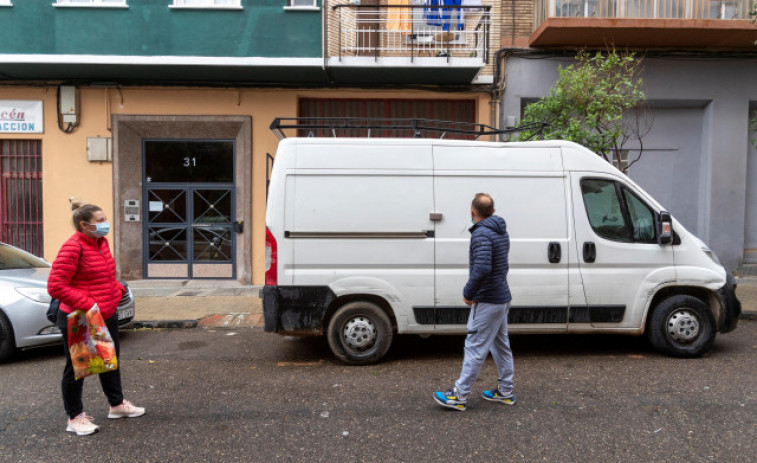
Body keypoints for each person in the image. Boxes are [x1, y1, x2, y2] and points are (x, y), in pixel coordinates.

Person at [48, 198, 145, 436]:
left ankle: (117, 405)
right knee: (77, 368)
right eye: (100, 221)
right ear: (84, 224)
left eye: (105, 219)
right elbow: (56, 286)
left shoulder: (100, 242)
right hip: (80, 317)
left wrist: (116, 290)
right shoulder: (73, 247)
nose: (105, 224)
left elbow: (102, 276)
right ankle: (75, 418)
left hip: (104, 313)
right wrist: (90, 304)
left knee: (110, 361)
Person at [433, 193, 515, 411]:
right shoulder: (500, 231)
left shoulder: (481, 234)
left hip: (488, 299)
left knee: (475, 346)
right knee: (500, 345)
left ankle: (459, 395)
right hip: (502, 298)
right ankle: (505, 391)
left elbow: (482, 268)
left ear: (472, 212)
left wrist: (468, 292)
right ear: (493, 212)